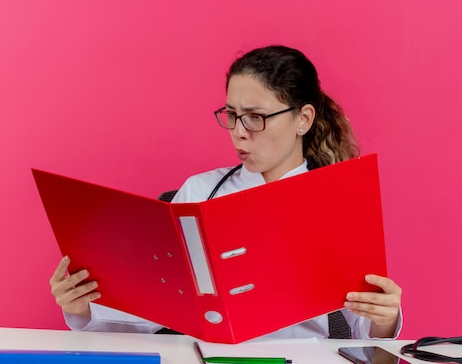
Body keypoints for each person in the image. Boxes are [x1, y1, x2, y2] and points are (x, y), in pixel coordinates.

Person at [49, 45, 403, 339]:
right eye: (231, 115)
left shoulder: (339, 200)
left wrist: (385, 317)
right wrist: (83, 306)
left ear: (303, 119)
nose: (239, 131)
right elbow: (153, 309)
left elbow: (365, 335)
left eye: (255, 117)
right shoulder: (200, 191)